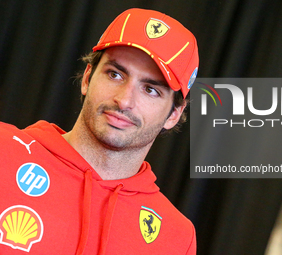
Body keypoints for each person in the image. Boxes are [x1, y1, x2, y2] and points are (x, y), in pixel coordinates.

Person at [0, 8, 198, 255]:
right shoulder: (3, 149)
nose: (124, 101)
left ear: (173, 114)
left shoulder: (177, 237)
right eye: (115, 74)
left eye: (150, 90)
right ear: (87, 78)